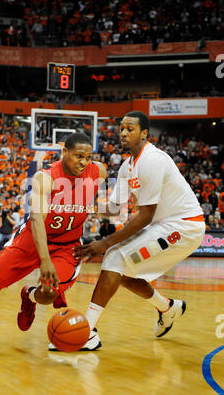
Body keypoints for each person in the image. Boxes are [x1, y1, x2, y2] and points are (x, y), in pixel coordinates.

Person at [0, 133, 107, 347]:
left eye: (88, 157)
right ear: (64, 152)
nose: (83, 162)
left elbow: (113, 187)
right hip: (33, 238)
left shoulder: (98, 171)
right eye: (78, 156)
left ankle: (29, 296)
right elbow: (36, 219)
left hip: (67, 245)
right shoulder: (46, 177)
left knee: (48, 294)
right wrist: (45, 260)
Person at [75, 111, 205, 347]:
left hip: (184, 226)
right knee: (122, 274)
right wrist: (82, 207)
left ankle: (87, 331)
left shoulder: (153, 159)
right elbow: (114, 208)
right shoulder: (127, 166)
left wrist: (104, 244)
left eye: (130, 129)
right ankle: (167, 308)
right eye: (121, 129)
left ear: (144, 133)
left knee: (114, 256)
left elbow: (145, 215)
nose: (123, 133)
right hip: (164, 225)